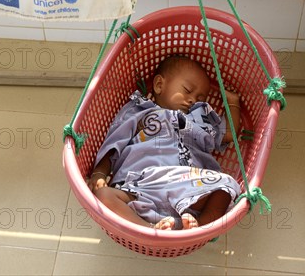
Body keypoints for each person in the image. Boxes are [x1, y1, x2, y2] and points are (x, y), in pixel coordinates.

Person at [88, 56, 241, 231]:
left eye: (200, 99)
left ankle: (199, 229)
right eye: (187, 90)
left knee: (227, 186)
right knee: (104, 195)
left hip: (188, 186)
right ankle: (149, 229)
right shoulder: (140, 111)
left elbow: (229, 135)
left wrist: (233, 103)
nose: (192, 100)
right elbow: (115, 141)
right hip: (141, 186)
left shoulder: (200, 122)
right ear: (159, 85)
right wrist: (99, 173)